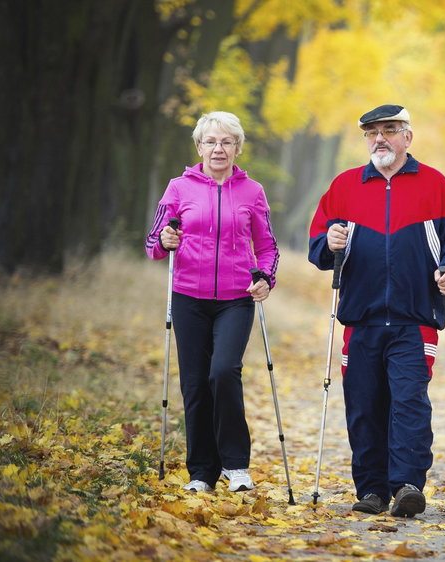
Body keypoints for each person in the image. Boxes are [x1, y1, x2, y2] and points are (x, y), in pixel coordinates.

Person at [308, 104, 445, 517]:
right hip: (360, 319)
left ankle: (406, 486)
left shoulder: (435, 186)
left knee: (409, 402)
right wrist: (328, 242)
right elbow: (318, 245)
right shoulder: (344, 187)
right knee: (364, 405)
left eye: (388, 130)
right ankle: (372, 491)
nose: (379, 138)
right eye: (371, 133)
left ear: (407, 137)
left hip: (414, 319)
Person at [145, 111, 280, 493]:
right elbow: (154, 244)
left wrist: (265, 278)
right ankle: (202, 472)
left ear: (237, 148)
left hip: (237, 299)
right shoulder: (178, 188)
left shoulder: (252, 191)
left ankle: (235, 465)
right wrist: (165, 243)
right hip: (188, 296)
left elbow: (268, 246)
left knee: (223, 372)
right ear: (199, 146)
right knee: (194, 384)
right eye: (211, 142)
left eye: (226, 142)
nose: (218, 149)